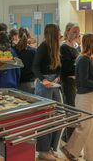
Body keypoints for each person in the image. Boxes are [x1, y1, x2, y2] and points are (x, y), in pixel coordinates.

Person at [61, 34, 93, 161]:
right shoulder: (82, 59)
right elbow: (81, 81)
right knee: (85, 127)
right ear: (90, 43)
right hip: (84, 97)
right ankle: (70, 149)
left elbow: (91, 79)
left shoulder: (90, 58)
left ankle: (92, 157)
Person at [32, 24, 62, 161]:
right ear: (53, 34)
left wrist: (58, 76)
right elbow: (35, 67)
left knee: (58, 115)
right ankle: (43, 150)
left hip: (54, 84)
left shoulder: (56, 48)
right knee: (45, 118)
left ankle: (51, 147)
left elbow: (59, 67)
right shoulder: (43, 47)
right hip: (44, 85)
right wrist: (44, 80)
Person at [14, 27, 36, 94]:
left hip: (16, 82)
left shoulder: (13, 50)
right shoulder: (33, 51)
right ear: (29, 36)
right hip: (30, 82)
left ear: (18, 36)